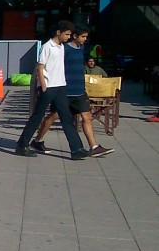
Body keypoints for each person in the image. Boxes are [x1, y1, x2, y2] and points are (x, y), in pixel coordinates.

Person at [31, 29, 113, 158]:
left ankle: (94, 147)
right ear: (75, 36)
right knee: (53, 116)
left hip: (79, 91)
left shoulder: (81, 48)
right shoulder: (63, 49)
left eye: (86, 37)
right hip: (65, 90)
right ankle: (37, 140)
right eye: (83, 36)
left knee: (87, 117)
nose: (85, 39)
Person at [14, 21, 88, 160]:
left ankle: (77, 149)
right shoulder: (47, 47)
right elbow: (40, 67)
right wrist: (43, 86)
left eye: (70, 34)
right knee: (37, 116)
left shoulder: (62, 47)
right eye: (66, 34)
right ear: (58, 32)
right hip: (48, 87)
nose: (68, 37)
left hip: (60, 86)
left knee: (66, 117)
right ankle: (22, 145)